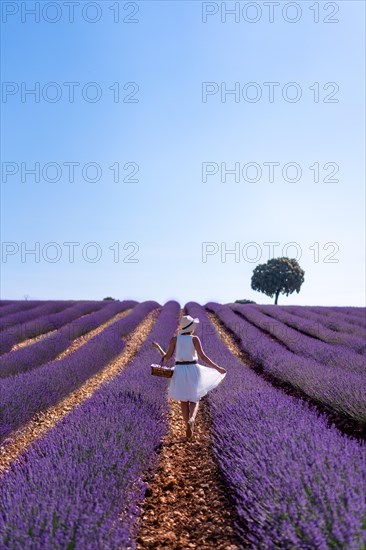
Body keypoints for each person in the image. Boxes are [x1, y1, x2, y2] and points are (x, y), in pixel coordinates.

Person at [152, 314, 227, 441]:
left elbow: (167, 357)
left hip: (180, 370)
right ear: (191, 328)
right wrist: (217, 368)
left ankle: (187, 422)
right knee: (194, 398)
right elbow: (203, 357)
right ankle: (192, 418)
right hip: (193, 369)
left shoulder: (175, 339)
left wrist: (158, 348)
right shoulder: (194, 339)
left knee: (183, 400)